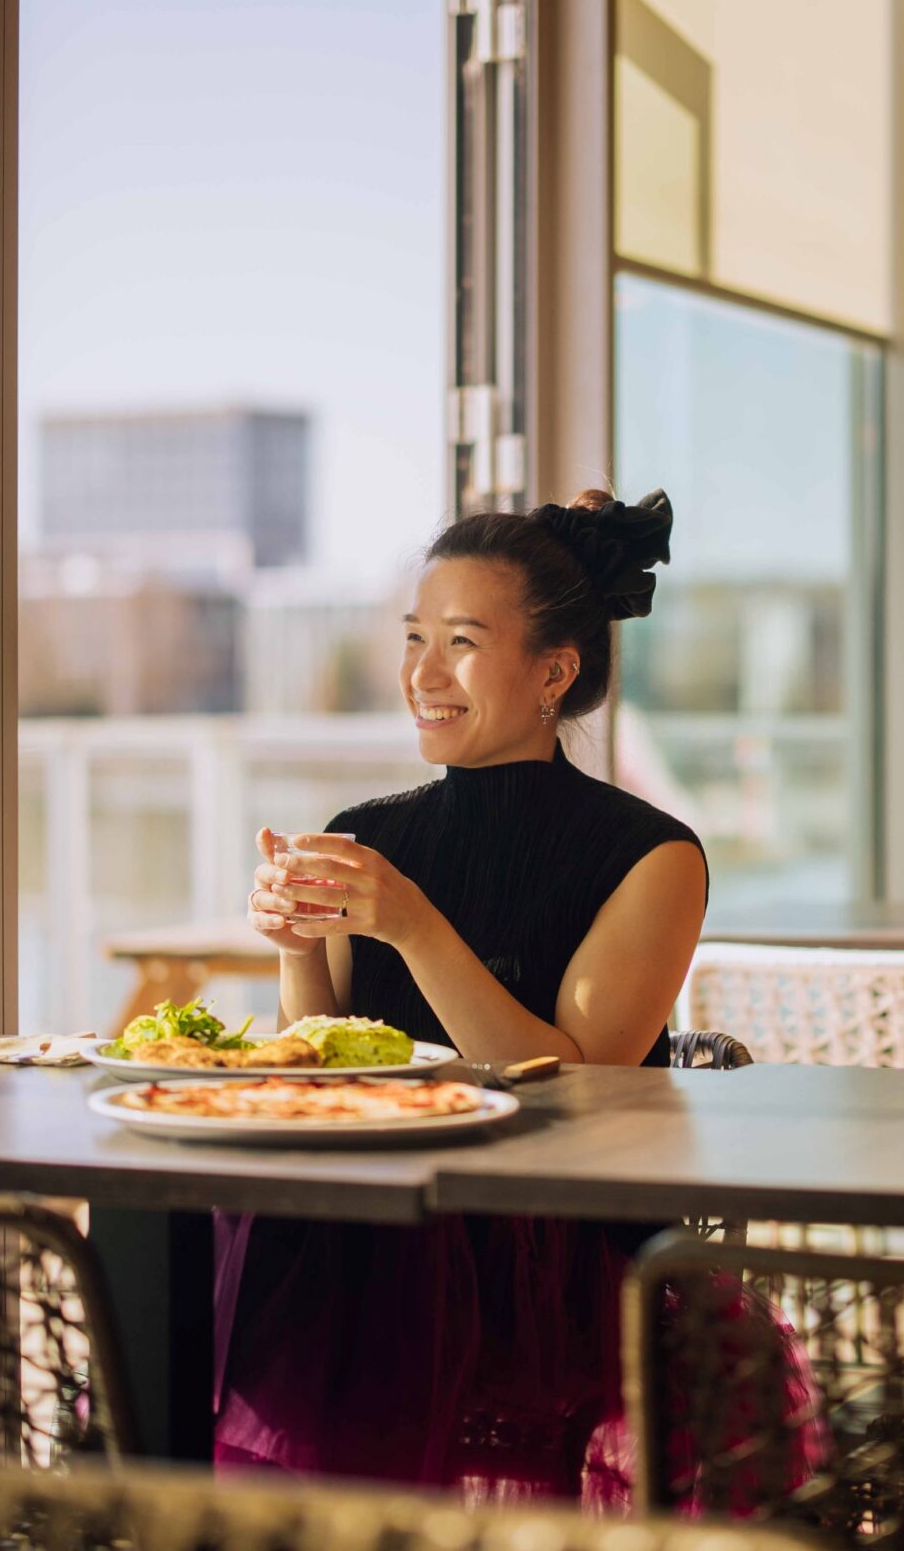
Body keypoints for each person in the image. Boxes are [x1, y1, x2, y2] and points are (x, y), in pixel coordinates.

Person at [217, 486, 708, 1498]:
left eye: (461, 642)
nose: (422, 675)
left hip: (558, 1257)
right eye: (413, 638)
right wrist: (294, 941)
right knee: (203, 1246)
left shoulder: (652, 854)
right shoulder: (369, 829)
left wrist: (411, 924)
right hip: (376, 1229)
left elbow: (577, 1088)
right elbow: (321, 1060)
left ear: (554, 671)